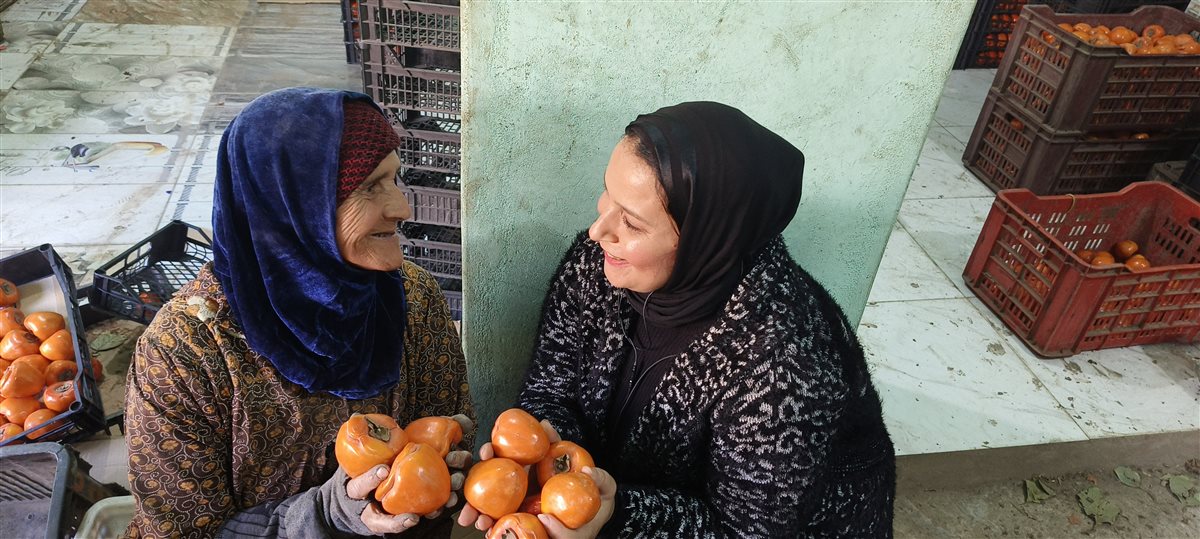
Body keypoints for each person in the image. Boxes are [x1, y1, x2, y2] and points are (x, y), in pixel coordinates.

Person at [460, 102, 894, 538]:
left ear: (706, 241)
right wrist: (541, 452)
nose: (597, 230)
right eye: (607, 193)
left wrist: (615, 515)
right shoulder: (596, 266)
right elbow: (550, 389)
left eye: (632, 223)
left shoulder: (786, 370)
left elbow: (742, 532)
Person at [123, 87, 475, 538]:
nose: (402, 207)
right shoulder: (185, 353)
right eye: (369, 187)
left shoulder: (413, 300)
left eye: (394, 178)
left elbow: (443, 448)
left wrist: (443, 468)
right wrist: (325, 514)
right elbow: (182, 531)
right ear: (291, 208)